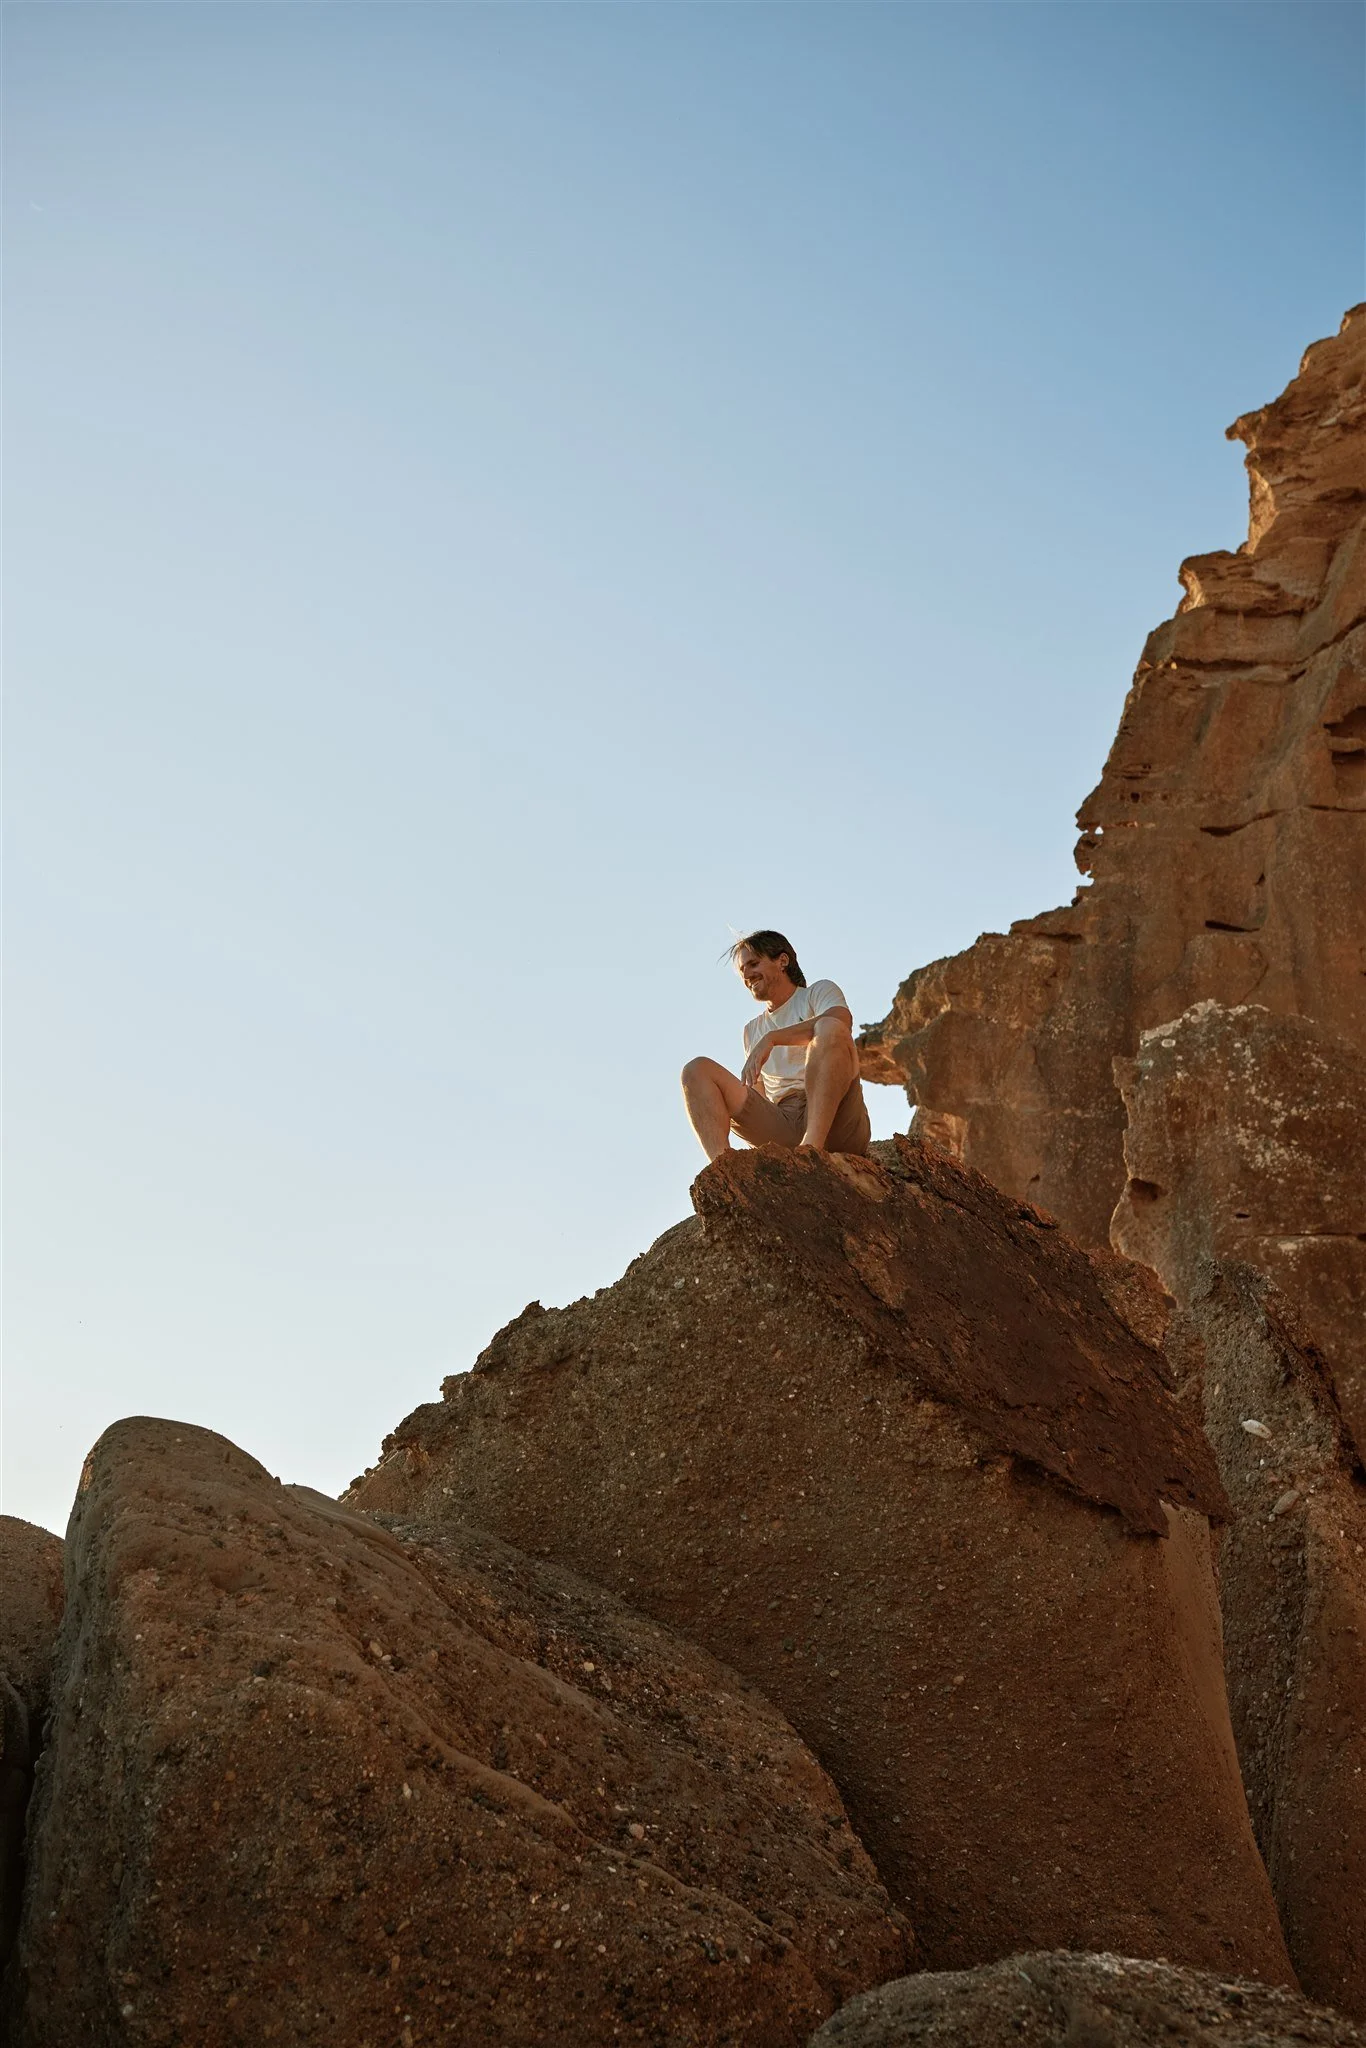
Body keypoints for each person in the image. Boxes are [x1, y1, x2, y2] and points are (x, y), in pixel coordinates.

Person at [681, 930, 872, 1161]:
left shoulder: (817, 992)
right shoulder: (752, 1030)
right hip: (785, 1122)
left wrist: (772, 1038)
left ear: (782, 961)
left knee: (829, 1027)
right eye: (742, 970)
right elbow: (759, 1096)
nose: (747, 975)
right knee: (696, 1069)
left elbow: (841, 1020)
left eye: (753, 964)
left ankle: (811, 1149)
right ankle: (723, 1166)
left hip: (838, 1120)